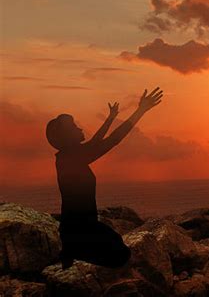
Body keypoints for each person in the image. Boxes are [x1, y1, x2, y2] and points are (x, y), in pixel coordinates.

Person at [45, 87, 163, 269]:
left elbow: (94, 143)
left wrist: (110, 118)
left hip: (83, 227)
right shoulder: (73, 158)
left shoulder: (68, 156)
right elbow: (113, 139)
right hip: (80, 232)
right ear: (67, 137)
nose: (80, 128)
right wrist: (141, 110)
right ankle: (73, 255)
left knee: (117, 243)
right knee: (121, 257)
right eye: (74, 127)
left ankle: (72, 254)